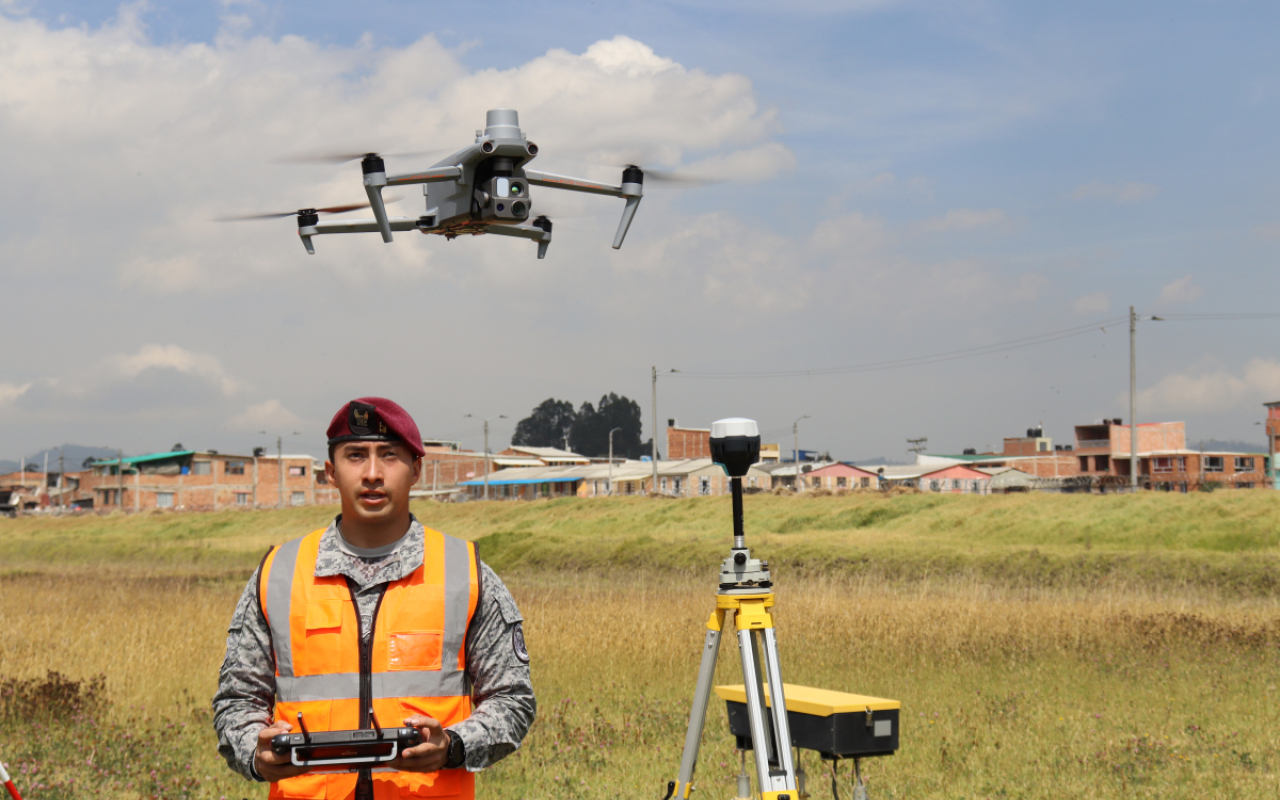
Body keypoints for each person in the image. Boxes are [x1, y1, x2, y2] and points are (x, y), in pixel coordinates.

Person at [213, 397, 535, 800]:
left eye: (389, 456)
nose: (372, 474)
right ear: (330, 472)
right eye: (355, 456)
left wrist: (452, 745)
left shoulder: (465, 574)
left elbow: (513, 699)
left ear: (416, 470)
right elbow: (236, 702)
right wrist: (256, 753)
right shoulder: (278, 575)